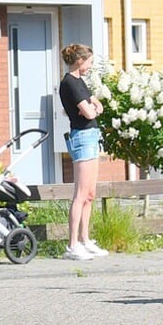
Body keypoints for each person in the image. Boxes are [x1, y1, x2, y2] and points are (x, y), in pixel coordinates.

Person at [58, 43, 107, 260]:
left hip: (91, 136)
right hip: (82, 137)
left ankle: (86, 239)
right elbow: (89, 112)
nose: (89, 66)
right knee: (80, 194)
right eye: (88, 62)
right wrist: (92, 107)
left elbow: (98, 106)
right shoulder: (69, 83)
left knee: (90, 194)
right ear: (79, 60)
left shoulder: (80, 82)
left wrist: (93, 106)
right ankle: (72, 245)